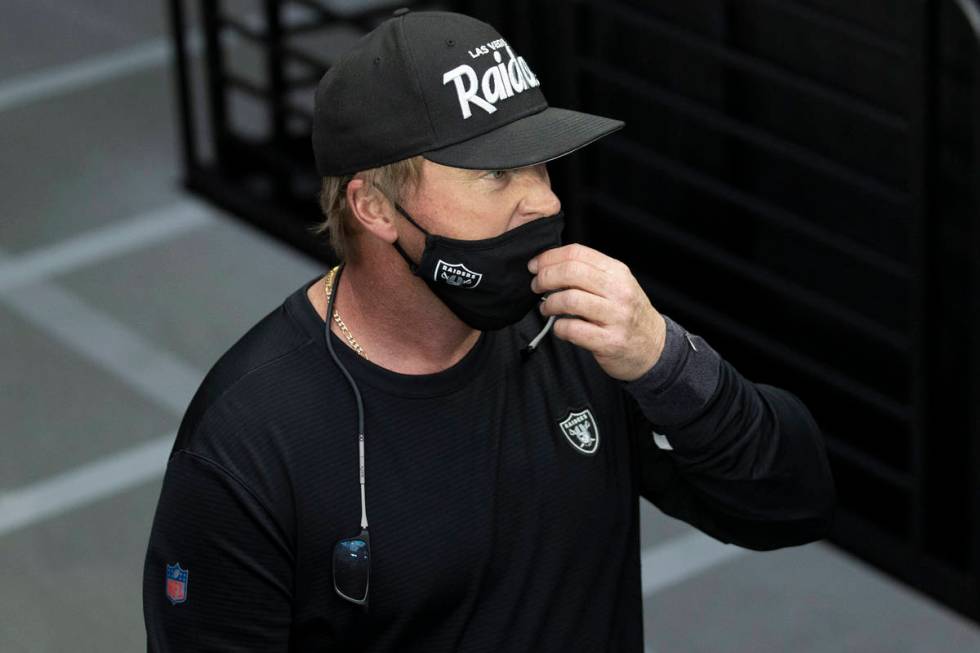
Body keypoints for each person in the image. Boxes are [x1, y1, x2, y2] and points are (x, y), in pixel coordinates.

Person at [142, 8, 836, 652]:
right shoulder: (249, 442)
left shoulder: (581, 332)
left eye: (539, 161)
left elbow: (789, 504)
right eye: (497, 172)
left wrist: (667, 363)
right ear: (374, 207)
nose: (544, 198)